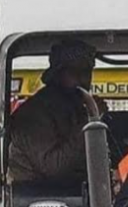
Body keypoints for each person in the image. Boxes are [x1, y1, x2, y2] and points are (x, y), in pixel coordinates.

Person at [8, 39, 96, 183]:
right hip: (36, 195)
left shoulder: (73, 105)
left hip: (70, 192)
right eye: (74, 72)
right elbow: (54, 167)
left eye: (86, 72)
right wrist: (90, 121)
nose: (83, 79)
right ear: (58, 73)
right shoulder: (35, 113)